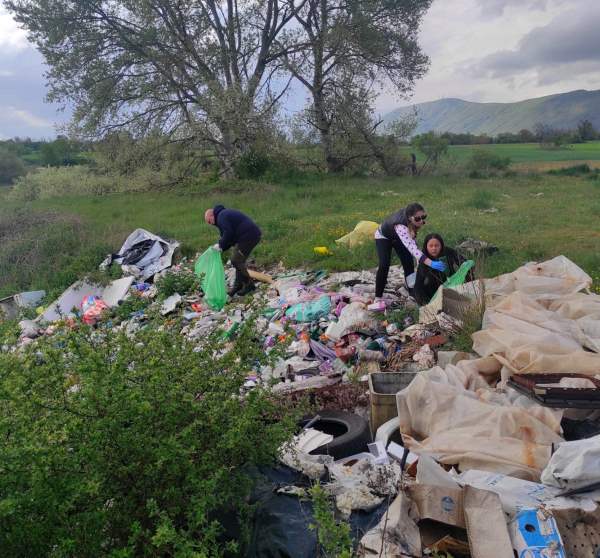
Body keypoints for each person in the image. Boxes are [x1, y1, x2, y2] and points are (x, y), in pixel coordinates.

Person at [374, 202, 447, 300]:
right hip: (384, 236)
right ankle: (378, 297)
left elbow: (413, 241)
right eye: (418, 219)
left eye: (423, 217)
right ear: (410, 218)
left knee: (408, 262)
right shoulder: (401, 226)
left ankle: (412, 291)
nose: (421, 221)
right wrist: (430, 263)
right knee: (384, 264)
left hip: (398, 237)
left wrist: (419, 261)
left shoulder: (412, 219)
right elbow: (412, 248)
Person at [204, 204, 262, 296]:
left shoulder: (221, 216)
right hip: (247, 236)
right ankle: (238, 285)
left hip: (249, 236)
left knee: (236, 260)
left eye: (209, 221)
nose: (210, 224)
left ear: (212, 215)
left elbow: (228, 233)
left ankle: (249, 284)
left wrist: (220, 244)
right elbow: (229, 239)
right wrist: (221, 248)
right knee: (237, 260)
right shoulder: (222, 217)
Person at [413, 233, 470, 305]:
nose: (434, 248)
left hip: (450, 284)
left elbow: (462, 261)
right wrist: (425, 304)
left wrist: (467, 264)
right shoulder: (424, 259)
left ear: (441, 245)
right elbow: (418, 285)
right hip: (432, 291)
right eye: (431, 246)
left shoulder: (448, 251)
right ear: (426, 247)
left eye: (436, 245)